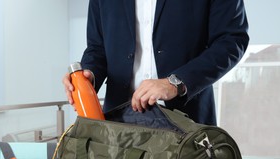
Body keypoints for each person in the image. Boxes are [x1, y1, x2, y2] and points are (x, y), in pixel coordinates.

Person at [62, 0, 249, 125]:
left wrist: (177, 82)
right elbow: (97, 47)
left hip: (187, 123)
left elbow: (231, 40)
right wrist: (88, 75)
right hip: (118, 124)